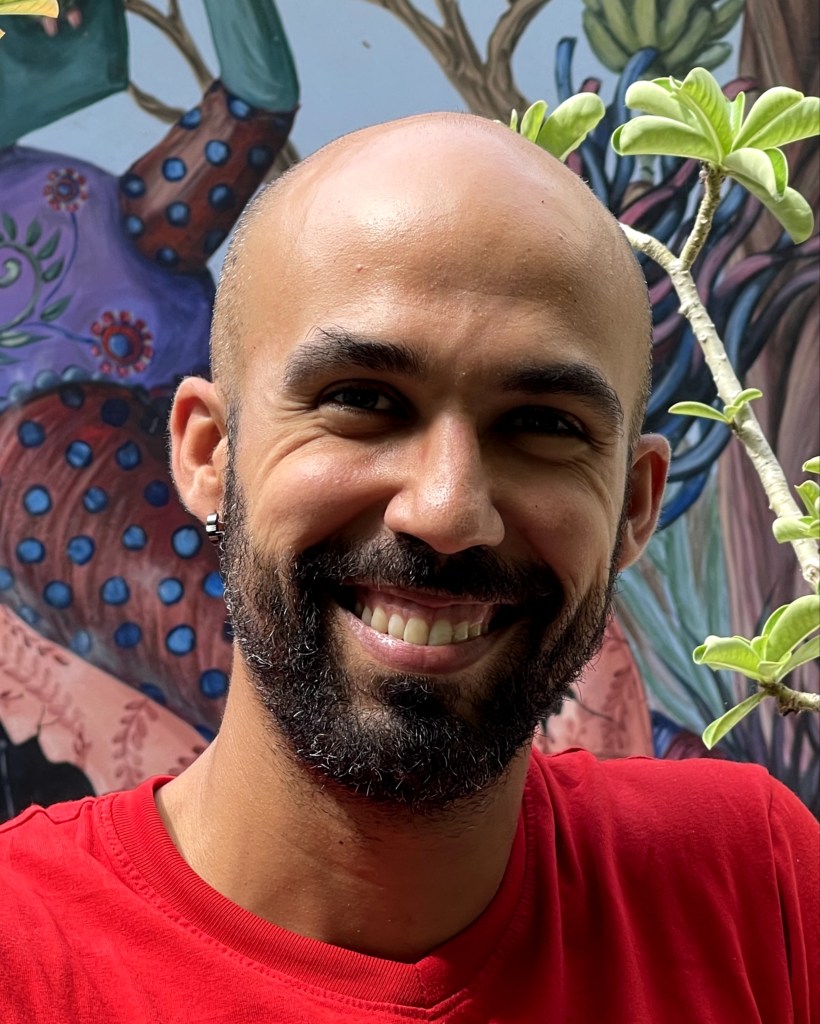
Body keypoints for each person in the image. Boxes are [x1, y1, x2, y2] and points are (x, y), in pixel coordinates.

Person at [0, 113, 817, 1023]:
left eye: (542, 424)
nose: (448, 511)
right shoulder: (22, 956)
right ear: (209, 455)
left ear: (633, 505)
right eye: (362, 401)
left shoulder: (751, 888)